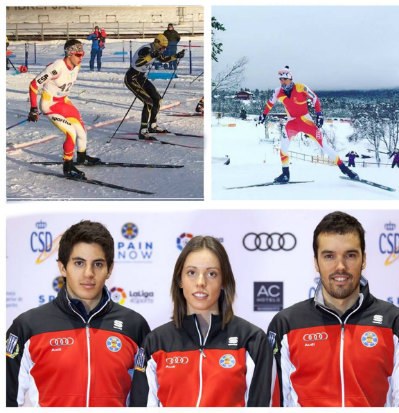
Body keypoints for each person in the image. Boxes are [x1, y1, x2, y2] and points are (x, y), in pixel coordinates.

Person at [268, 211, 399, 407]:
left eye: (350, 255)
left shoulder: (394, 322)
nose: (340, 266)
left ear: (364, 260)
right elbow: (275, 403)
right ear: (316, 262)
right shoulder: (287, 324)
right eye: (329, 256)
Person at [6, 220, 151, 407]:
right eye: (79, 263)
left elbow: (147, 401)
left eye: (98, 264)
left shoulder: (135, 326)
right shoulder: (28, 326)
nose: (89, 273)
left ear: (110, 269)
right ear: (62, 268)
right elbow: (7, 401)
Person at [129, 236, 274, 407]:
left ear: (223, 282)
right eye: (192, 273)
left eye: (211, 274)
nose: (200, 282)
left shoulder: (252, 340)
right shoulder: (155, 342)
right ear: (179, 280)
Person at [257, 66, 358, 183]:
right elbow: (270, 103)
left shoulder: (301, 87)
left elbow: (315, 99)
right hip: (292, 123)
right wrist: (263, 115)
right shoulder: (278, 91)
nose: (282, 82)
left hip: (306, 121)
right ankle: (285, 174)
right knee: (283, 147)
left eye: (284, 79)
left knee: (324, 145)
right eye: (280, 79)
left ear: (290, 78)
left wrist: (319, 114)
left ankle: (346, 170)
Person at [27, 39, 101, 179]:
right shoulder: (57, 67)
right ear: (69, 54)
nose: (81, 58)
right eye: (78, 55)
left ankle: (82, 157)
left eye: (82, 54)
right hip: (50, 105)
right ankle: (67, 167)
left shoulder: (76, 66)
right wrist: (33, 109)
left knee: (82, 132)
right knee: (71, 132)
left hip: (64, 102)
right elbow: (33, 85)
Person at [124, 34, 185, 140]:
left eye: (165, 47)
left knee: (157, 99)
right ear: (156, 43)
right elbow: (138, 63)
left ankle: (152, 126)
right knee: (148, 102)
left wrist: (176, 56)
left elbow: (163, 59)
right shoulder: (145, 49)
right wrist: (151, 56)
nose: (164, 49)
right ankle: (143, 130)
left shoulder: (156, 50)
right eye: (163, 47)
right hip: (132, 77)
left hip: (141, 77)